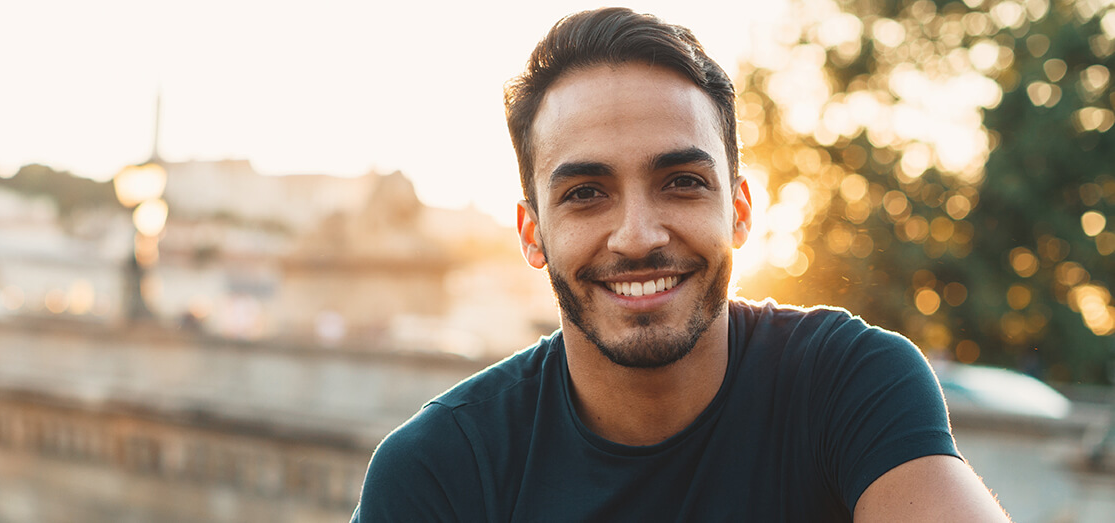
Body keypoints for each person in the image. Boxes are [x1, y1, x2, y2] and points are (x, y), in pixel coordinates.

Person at [351, 7, 1009, 522]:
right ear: (533, 234)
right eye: (584, 193)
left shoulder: (845, 382)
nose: (636, 236)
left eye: (681, 181)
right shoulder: (438, 470)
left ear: (741, 209)